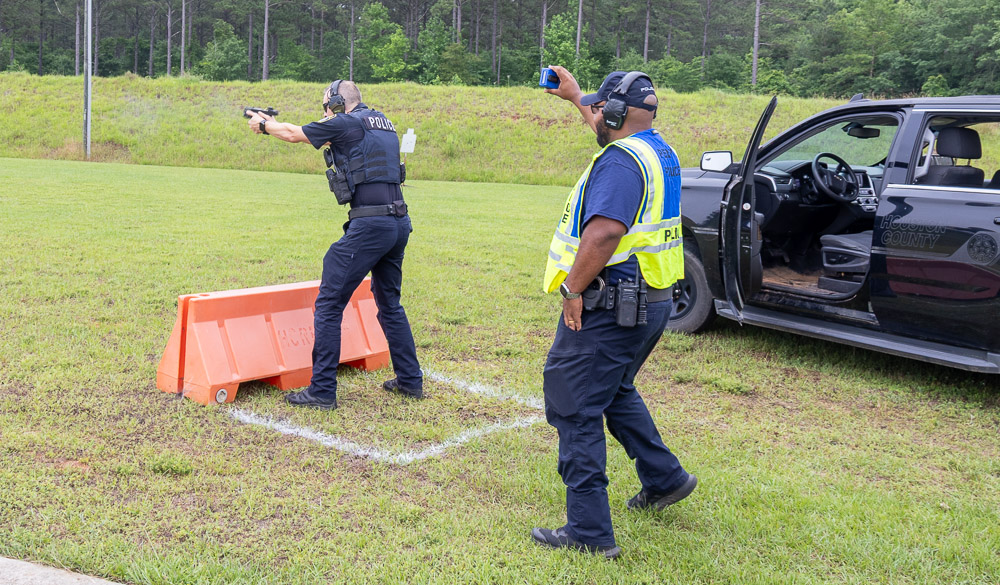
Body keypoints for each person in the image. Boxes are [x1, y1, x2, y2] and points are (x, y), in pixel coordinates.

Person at [531, 68, 697, 559]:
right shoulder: (656, 151)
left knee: (574, 403)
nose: (596, 114)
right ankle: (665, 478)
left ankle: (588, 531)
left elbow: (604, 233)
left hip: (610, 303)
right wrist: (575, 97)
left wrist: (572, 289)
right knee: (615, 390)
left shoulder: (622, 163)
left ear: (620, 113)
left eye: (601, 107)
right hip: (651, 302)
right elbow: (610, 133)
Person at [246, 80, 423, 410]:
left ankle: (323, 390)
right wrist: (273, 122)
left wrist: (265, 126)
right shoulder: (381, 122)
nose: (326, 111)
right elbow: (330, 136)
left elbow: (294, 134)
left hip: (370, 225)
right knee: (390, 304)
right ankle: (410, 381)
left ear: (339, 102)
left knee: (329, 303)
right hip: (398, 222)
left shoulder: (345, 123)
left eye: (327, 104)